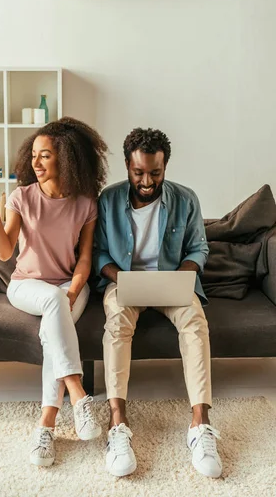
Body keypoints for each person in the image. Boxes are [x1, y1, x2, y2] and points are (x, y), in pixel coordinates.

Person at [0, 117, 108, 467]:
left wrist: (74, 290)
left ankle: (46, 426)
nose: (35, 163)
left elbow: (84, 259)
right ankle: (80, 397)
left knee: (52, 327)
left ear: (66, 158)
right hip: (26, 285)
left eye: (45, 155)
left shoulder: (85, 203)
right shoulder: (22, 197)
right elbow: (5, 252)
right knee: (52, 303)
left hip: (69, 285)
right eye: (33, 154)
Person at [94, 127, 222, 479]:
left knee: (195, 322)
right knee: (117, 322)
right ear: (127, 166)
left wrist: (182, 274)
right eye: (139, 173)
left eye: (155, 172)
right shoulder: (108, 200)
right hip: (125, 281)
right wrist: (122, 279)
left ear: (165, 166)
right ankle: (117, 423)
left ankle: (200, 424)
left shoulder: (186, 199)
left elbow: (200, 248)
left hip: (171, 281)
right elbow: (99, 253)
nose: (147, 181)